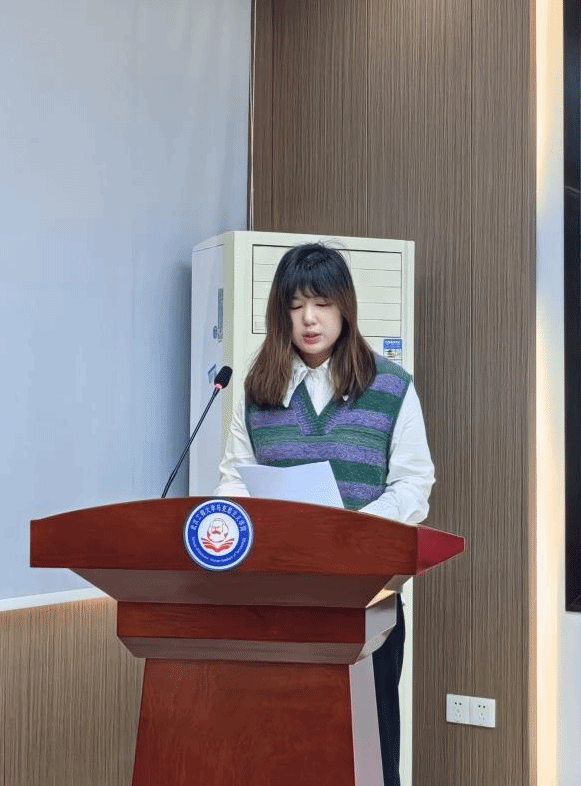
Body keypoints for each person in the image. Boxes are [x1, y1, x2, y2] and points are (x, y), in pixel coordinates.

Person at [215, 241, 435, 786]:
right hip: (278, 601)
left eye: (322, 304)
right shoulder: (256, 392)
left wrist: (350, 531)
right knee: (280, 752)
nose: (309, 319)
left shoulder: (391, 387)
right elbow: (235, 481)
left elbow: (413, 484)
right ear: (280, 313)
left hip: (365, 600)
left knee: (368, 753)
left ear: (345, 307)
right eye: (295, 306)